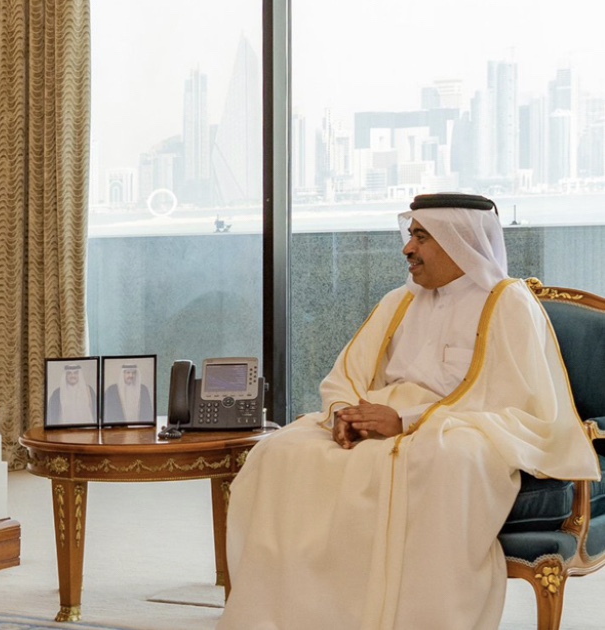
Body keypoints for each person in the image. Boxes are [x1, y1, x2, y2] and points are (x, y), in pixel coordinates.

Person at [217, 193, 600, 630]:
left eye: (421, 237)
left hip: (464, 427)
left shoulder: (507, 302)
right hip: (380, 418)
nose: (407, 248)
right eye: (410, 235)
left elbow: (516, 400)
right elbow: (347, 375)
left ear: (459, 240)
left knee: (446, 458)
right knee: (281, 451)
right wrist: (345, 415)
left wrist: (406, 422)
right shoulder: (398, 301)